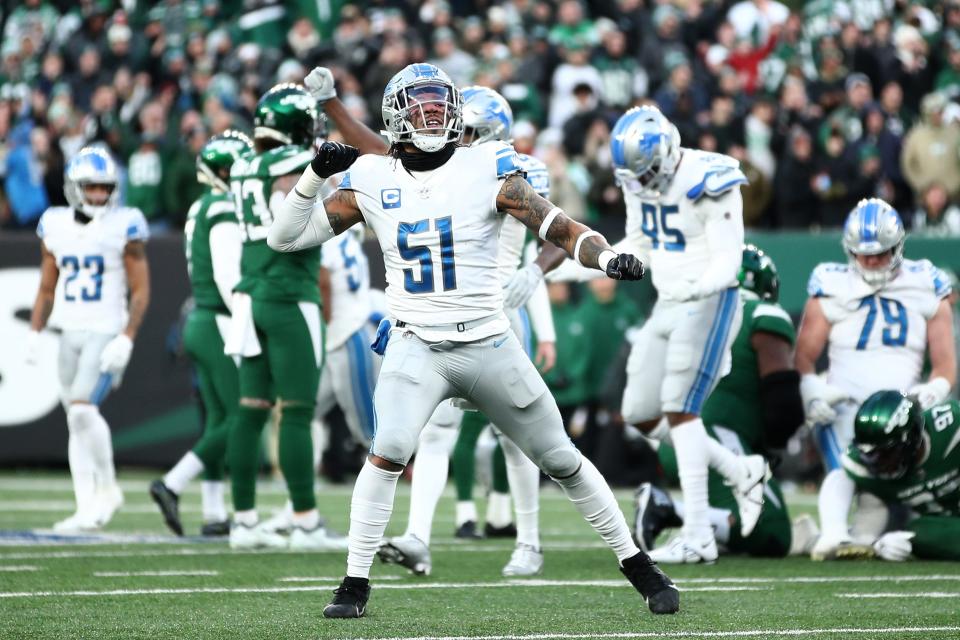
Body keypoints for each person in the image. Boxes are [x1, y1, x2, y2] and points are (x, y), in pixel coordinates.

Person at [268, 62, 678, 618]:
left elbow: (558, 226)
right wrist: (316, 174)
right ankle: (353, 583)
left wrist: (604, 257)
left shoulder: (486, 166)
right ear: (396, 116)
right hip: (416, 345)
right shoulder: (371, 177)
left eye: (440, 104)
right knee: (388, 450)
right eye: (421, 105)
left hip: (488, 341)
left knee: (560, 456)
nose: (433, 113)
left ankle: (639, 565)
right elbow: (285, 237)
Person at [304, 70, 559, 576]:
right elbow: (382, 150)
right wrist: (333, 106)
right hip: (440, 313)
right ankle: (418, 535)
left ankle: (528, 540)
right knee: (436, 431)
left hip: (497, 310)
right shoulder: (433, 165)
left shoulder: (504, 167)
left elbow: (557, 228)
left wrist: (536, 271)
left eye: (466, 129)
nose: (449, 133)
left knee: (518, 436)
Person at [546, 105, 768, 564]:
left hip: (712, 298)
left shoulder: (711, 177)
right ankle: (741, 470)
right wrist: (583, 268)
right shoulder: (635, 179)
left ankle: (700, 535)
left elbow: (730, 261)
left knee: (679, 406)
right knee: (640, 412)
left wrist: (696, 286)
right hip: (669, 301)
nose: (641, 184)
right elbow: (641, 243)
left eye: (646, 173)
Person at [795, 197, 956, 559]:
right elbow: (803, 356)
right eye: (862, 254)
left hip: (900, 410)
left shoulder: (927, 281)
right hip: (844, 402)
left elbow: (945, 366)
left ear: (898, 247)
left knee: (880, 506)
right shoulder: (831, 281)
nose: (870, 261)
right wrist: (812, 390)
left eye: (880, 253)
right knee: (850, 471)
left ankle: (824, 538)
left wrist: (926, 396)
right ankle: (832, 535)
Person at [223, 83, 346, 552]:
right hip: (291, 292)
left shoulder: (241, 166)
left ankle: (244, 521)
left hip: (249, 293)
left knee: (250, 409)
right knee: (296, 412)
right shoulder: (291, 162)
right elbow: (290, 203)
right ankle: (307, 522)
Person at [637, 245, 804, 558]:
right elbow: (783, 404)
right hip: (716, 435)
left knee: (739, 502)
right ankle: (669, 510)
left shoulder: (687, 309)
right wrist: (773, 446)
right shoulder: (762, 313)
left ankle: (699, 524)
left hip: (672, 435)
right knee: (774, 531)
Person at [27, 147, 150, 532]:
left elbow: (141, 289)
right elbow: (47, 287)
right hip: (69, 329)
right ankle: (86, 507)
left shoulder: (124, 224)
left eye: (104, 187)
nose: (99, 195)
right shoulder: (55, 224)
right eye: (91, 188)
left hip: (106, 329)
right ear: (74, 188)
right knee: (75, 420)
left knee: (81, 409)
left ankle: (109, 488)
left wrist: (127, 336)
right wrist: (34, 330)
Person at [149, 131, 252, 537]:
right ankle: (172, 483)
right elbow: (229, 278)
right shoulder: (223, 207)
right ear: (222, 171)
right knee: (243, 414)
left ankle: (213, 512)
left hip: (200, 319)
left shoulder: (202, 205)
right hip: (218, 321)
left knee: (218, 419)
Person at [824, 390, 960, 561]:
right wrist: (834, 532)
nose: (877, 464)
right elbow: (840, 478)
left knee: (916, 534)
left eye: (886, 454)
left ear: (911, 439)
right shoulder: (863, 465)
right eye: (870, 455)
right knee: (917, 531)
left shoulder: (951, 428)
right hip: (942, 525)